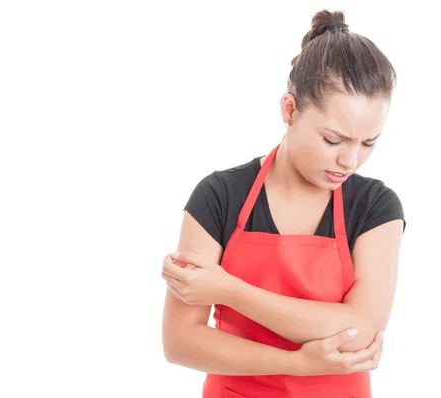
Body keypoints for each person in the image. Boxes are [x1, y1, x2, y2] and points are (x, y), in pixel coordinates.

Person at [160, 9, 406, 398]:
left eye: (368, 143)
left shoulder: (375, 206)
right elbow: (180, 342)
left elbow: (361, 327)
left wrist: (229, 290)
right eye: (333, 140)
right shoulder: (220, 196)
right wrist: (297, 363)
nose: (351, 161)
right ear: (290, 111)